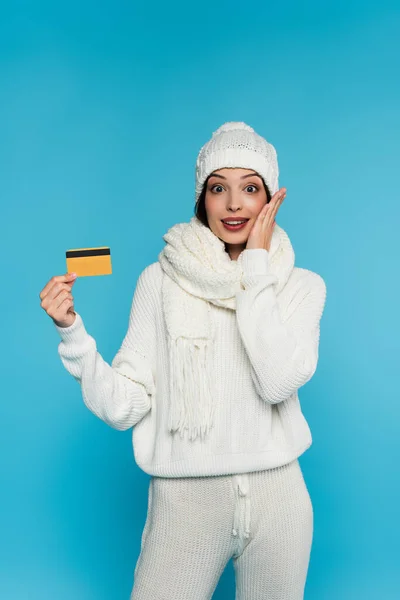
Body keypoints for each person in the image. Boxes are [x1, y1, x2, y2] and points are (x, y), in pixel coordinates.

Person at [39, 121, 327, 599]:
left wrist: (255, 266)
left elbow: (276, 382)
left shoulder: (302, 287)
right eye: (219, 188)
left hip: (281, 499)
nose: (234, 205)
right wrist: (74, 335)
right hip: (186, 501)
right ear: (202, 199)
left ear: (271, 200)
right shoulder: (159, 281)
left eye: (250, 189)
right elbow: (123, 406)